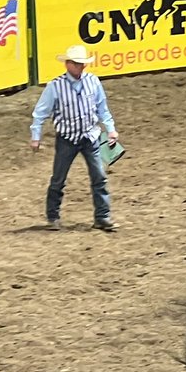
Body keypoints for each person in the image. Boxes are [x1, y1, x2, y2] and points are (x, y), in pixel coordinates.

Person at [30, 45, 119, 233]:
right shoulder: (55, 86)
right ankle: (52, 216)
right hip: (67, 139)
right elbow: (40, 113)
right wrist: (35, 136)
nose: (81, 67)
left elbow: (102, 108)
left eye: (82, 64)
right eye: (78, 64)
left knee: (99, 177)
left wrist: (110, 129)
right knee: (58, 179)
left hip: (90, 137)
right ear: (68, 64)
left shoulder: (93, 81)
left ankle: (102, 217)